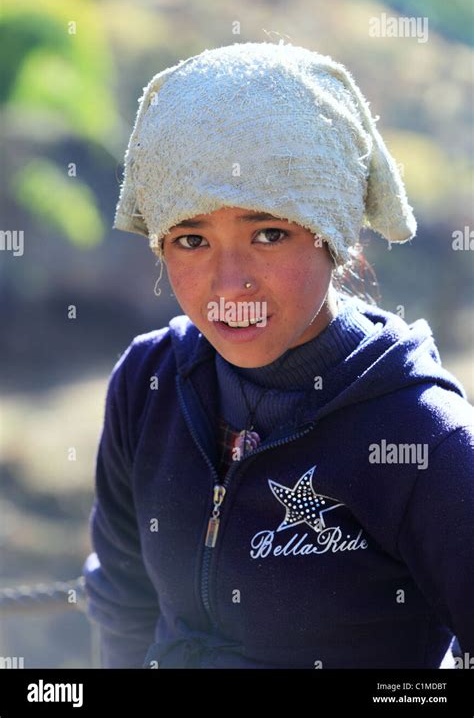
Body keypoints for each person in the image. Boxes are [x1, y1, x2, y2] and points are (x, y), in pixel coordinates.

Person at [82, 42, 474, 669]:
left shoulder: (423, 435)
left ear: (334, 232)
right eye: (191, 238)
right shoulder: (146, 384)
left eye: (269, 233)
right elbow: (122, 605)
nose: (228, 281)